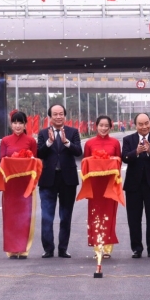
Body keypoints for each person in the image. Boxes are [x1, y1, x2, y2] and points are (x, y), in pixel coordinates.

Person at [36, 104, 83, 258]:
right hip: (48, 179)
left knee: (66, 216)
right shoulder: (43, 133)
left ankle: (63, 249)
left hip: (67, 179)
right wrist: (49, 142)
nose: (58, 117)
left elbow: (78, 152)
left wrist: (66, 142)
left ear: (65, 115)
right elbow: (39, 154)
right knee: (47, 216)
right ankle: (48, 249)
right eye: (55, 114)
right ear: (50, 117)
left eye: (61, 114)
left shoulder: (73, 132)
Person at [0, 111, 40, 259]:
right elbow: (2, 160)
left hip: (25, 183)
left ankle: (23, 249)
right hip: (10, 183)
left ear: (25, 124)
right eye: (14, 123)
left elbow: (35, 161)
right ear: (11, 124)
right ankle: (11, 249)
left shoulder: (31, 141)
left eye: (20, 123)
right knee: (10, 216)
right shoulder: (5, 140)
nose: (17, 126)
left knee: (24, 216)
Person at [122, 113, 150, 258]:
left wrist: (149, 151)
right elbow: (124, 157)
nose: (144, 126)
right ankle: (137, 248)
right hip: (133, 185)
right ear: (135, 125)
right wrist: (136, 152)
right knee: (134, 218)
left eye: (146, 123)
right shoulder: (128, 140)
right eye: (140, 124)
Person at [82, 116, 122, 257]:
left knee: (110, 214)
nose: (104, 128)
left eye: (106, 126)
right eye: (101, 125)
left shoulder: (115, 143)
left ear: (110, 127)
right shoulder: (89, 143)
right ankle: (98, 247)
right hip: (95, 184)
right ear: (96, 126)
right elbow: (85, 163)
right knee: (95, 215)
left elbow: (119, 161)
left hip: (110, 183)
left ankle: (107, 248)